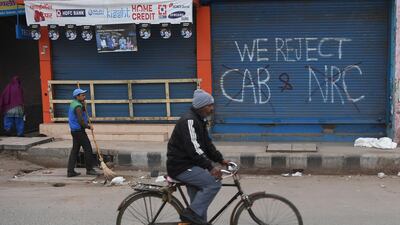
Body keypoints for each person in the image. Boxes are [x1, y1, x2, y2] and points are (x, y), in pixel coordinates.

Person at [167, 89, 230, 225]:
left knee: (200, 207)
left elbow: (207, 145)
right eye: (209, 106)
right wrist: (210, 167)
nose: (212, 109)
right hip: (181, 166)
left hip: (192, 165)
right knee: (213, 183)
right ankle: (190, 214)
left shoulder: (199, 120)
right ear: (201, 106)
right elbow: (194, 149)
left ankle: (194, 215)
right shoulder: (189, 121)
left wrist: (220, 159)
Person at [67, 88, 99, 177]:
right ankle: (89, 169)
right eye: (82, 95)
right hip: (79, 131)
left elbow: (82, 112)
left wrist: (84, 106)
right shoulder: (77, 107)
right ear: (77, 96)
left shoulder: (74, 103)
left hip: (74, 130)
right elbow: (81, 120)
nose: (84, 96)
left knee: (75, 150)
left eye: (84, 95)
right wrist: (89, 127)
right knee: (88, 149)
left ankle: (70, 171)